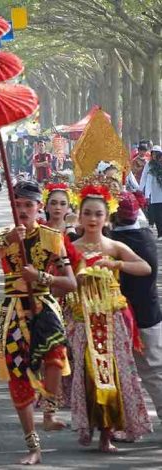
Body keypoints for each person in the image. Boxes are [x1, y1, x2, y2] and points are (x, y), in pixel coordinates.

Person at [0, 181, 76, 465]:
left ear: (38, 207)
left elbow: (70, 282)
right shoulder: (2, 235)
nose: (23, 210)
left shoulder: (52, 237)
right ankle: (33, 444)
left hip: (43, 307)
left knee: (55, 357)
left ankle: (50, 412)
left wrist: (42, 278)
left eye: (28, 205)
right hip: (14, 310)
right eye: (18, 205)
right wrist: (8, 243)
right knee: (19, 378)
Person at [67, 180, 153, 452]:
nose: (92, 218)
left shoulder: (114, 247)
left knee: (113, 374)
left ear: (107, 218)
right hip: (82, 321)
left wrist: (116, 264)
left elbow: (145, 268)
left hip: (112, 320)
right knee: (89, 374)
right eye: (88, 213)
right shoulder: (70, 248)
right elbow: (58, 277)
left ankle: (109, 432)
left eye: (98, 214)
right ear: (79, 216)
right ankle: (92, 426)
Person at [110, 190, 162, 426]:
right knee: (151, 370)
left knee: (147, 369)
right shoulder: (145, 236)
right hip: (146, 313)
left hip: (132, 315)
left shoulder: (119, 242)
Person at [139, 145, 162, 236]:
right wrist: (141, 190)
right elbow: (144, 177)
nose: (155, 155)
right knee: (157, 214)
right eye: (153, 153)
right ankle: (160, 233)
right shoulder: (149, 165)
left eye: (157, 153)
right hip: (154, 193)